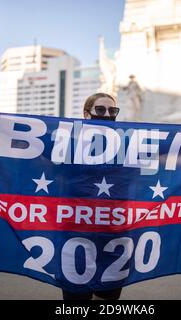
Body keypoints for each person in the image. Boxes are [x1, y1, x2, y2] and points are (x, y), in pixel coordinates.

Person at [61, 92, 122, 301]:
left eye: (112, 111)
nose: (107, 114)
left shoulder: (127, 145)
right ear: (86, 115)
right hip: (75, 238)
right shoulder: (68, 143)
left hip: (113, 238)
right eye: (100, 110)